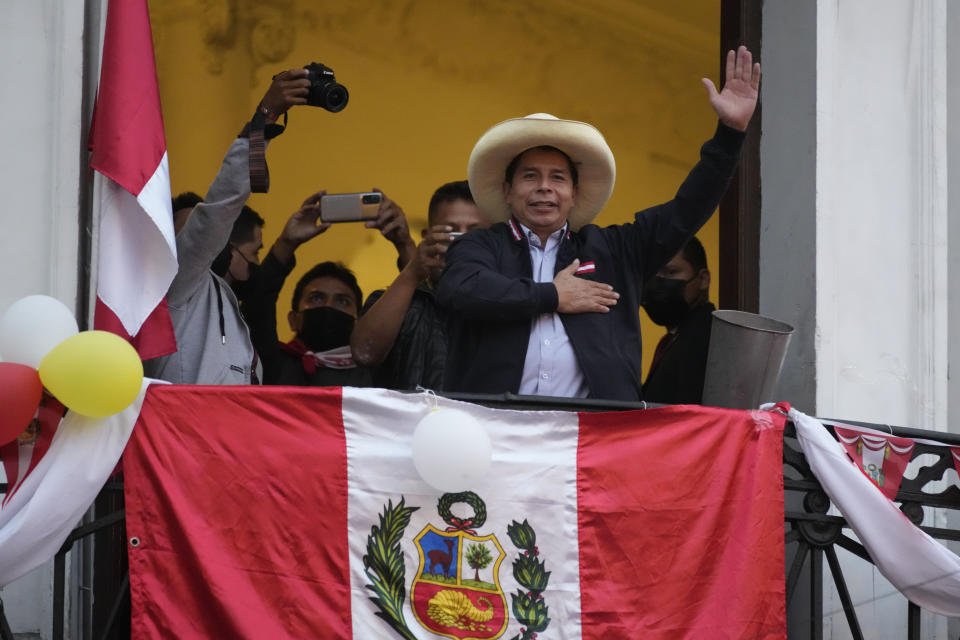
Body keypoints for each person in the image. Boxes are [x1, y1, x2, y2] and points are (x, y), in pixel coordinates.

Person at [437, 46, 760, 401]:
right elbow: (461, 290)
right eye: (530, 176)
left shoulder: (617, 251)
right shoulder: (478, 247)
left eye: (557, 178)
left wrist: (730, 134)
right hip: (495, 433)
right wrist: (553, 296)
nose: (544, 186)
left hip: (594, 438)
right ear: (508, 191)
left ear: (574, 194)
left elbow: (687, 210)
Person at [145, 68, 311, 384]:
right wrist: (265, 117)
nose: (196, 241)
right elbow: (220, 209)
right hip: (183, 430)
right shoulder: (172, 286)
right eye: (185, 232)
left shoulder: (229, 305)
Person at [244, 190, 411, 386]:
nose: (329, 307)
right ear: (293, 319)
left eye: (343, 301)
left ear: (358, 323)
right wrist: (287, 243)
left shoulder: (377, 373)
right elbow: (256, 303)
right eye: (316, 298)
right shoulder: (271, 363)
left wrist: (405, 244)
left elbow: (421, 321)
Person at [351, 180, 488, 390]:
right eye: (450, 233)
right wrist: (413, 271)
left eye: (474, 235)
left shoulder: (508, 302)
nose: (461, 245)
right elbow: (364, 353)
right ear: (427, 238)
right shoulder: (399, 302)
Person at [641, 236, 714, 404]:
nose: (657, 283)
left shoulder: (708, 339)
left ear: (703, 279)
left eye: (670, 272)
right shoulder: (677, 337)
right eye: (651, 273)